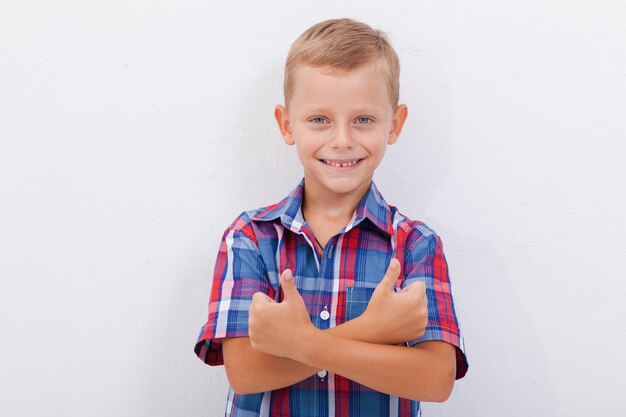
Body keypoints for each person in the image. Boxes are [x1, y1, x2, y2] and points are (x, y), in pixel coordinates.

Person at [194, 17, 468, 416]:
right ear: (287, 125)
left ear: (395, 124)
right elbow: (246, 372)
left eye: (363, 119)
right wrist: (372, 331)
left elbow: (435, 379)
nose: (342, 140)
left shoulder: (415, 243)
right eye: (319, 119)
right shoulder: (249, 236)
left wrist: (299, 342)